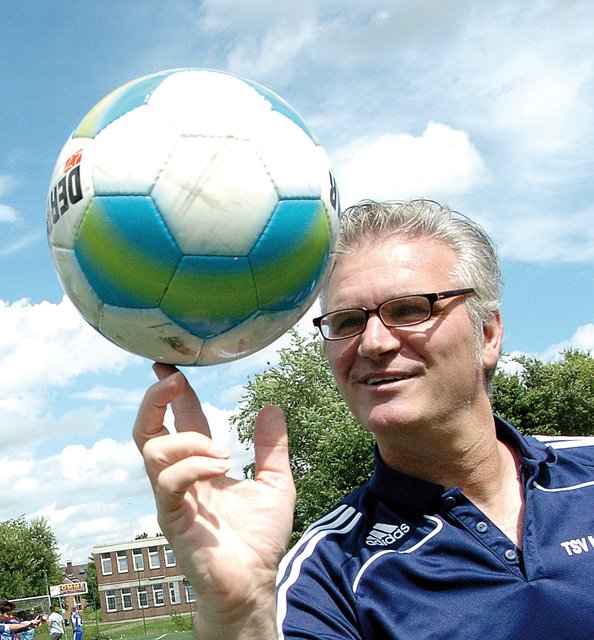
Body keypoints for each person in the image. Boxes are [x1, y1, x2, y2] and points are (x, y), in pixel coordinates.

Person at [133, 199, 594, 639]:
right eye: (347, 321)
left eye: (410, 308)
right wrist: (238, 614)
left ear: (488, 334)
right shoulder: (329, 574)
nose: (373, 342)